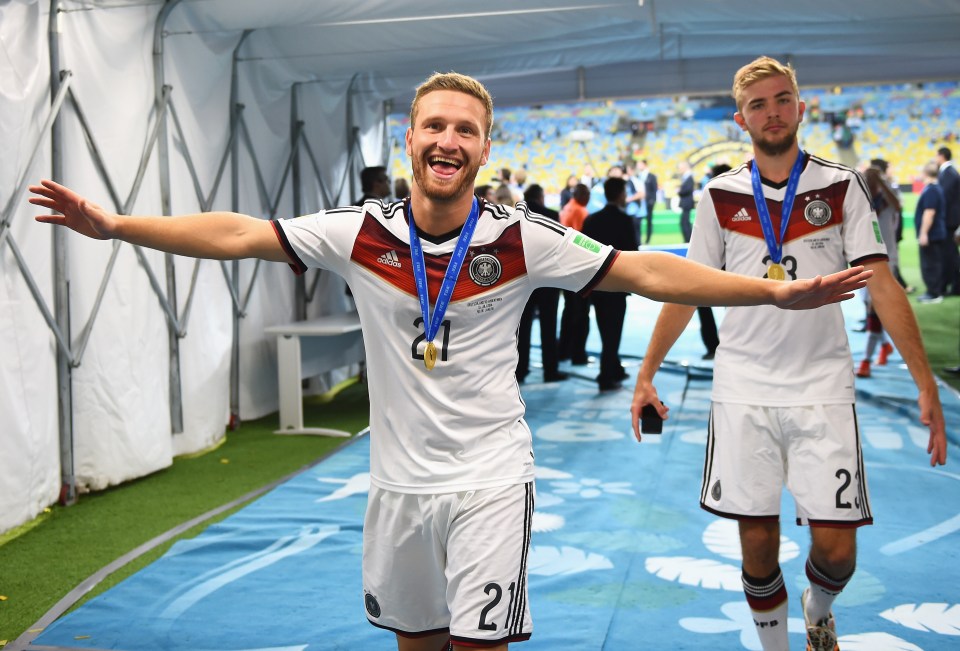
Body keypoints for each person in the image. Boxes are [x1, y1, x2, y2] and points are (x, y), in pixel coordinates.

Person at [31, 71, 871, 651]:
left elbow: (646, 270)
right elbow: (240, 232)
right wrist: (117, 226)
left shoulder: (518, 236)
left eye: (465, 129)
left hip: (492, 480)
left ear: (483, 147)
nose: (448, 139)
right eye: (435, 124)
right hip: (397, 486)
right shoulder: (361, 232)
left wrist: (767, 294)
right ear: (412, 138)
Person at [628, 57, 947, 651]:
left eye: (781, 99)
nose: (771, 111)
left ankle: (818, 605)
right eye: (758, 104)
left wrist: (925, 383)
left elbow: (882, 284)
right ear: (740, 117)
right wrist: (646, 373)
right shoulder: (719, 195)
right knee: (756, 541)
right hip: (743, 386)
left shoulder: (840, 185)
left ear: (800, 107)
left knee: (838, 550)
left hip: (822, 384)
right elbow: (682, 289)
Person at [581, 176, 639, 390]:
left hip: (596, 284)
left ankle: (614, 368)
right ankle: (606, 375)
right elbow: (633, 253)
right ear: (621, 194)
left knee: (605, 328)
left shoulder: (591, 220)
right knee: (613, 332)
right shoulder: (624, 221)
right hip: (618, 284)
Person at [516, 184, 567, 383]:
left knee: (522, 327)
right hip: (547, 279)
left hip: (522, 279)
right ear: (540, 197)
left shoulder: (514, 215)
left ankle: (520, 370)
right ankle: (550, 370)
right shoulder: (552, 215)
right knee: (548, 325)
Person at [557, 183, 593, 365]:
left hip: (564, 265)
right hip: (578, 268)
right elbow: (583, 240)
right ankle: (578, 354)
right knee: (580, 313)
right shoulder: (581, 211)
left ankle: (564, 350)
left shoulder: (568, 207)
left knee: (569, 310)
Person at [916, 161, 948, 304]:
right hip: (936, 233)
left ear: (925, 173)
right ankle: (935, 291)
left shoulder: (932, 190)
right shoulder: (936, 188)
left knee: (930, 264)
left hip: (932, 234)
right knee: (934, 262)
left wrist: (923, 233)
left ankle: (934, 293)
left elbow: (929, 213)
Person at [936, 146, 960, 295]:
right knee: (950, 253)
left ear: (941, 156)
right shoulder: (949, 172)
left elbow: (944, 198)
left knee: (950, 254)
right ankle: (952, 284)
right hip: (951, 220)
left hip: (950, 221)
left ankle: (955, 286)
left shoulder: (949, 173)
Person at [636, 158, 658, 245]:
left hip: (648, 202)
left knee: (649, 220)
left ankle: (648, 239)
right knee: (638, 221)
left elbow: (654, 190)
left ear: (644, 165)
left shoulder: (651, 176)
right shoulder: (637, 176)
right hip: (640, 202)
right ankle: (639, 239)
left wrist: (652, 201)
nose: (638, 166)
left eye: (640, 164)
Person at [677, 160, 695, 242]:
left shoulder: (689, 177)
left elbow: (687, 190)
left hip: (687, 203)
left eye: (680, 168)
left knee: (685, 222)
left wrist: (679, 191)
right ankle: (688, 239)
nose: (679, 169)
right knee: (684, 222)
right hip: (686, 203)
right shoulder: (686, 177)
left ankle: (688, 240)